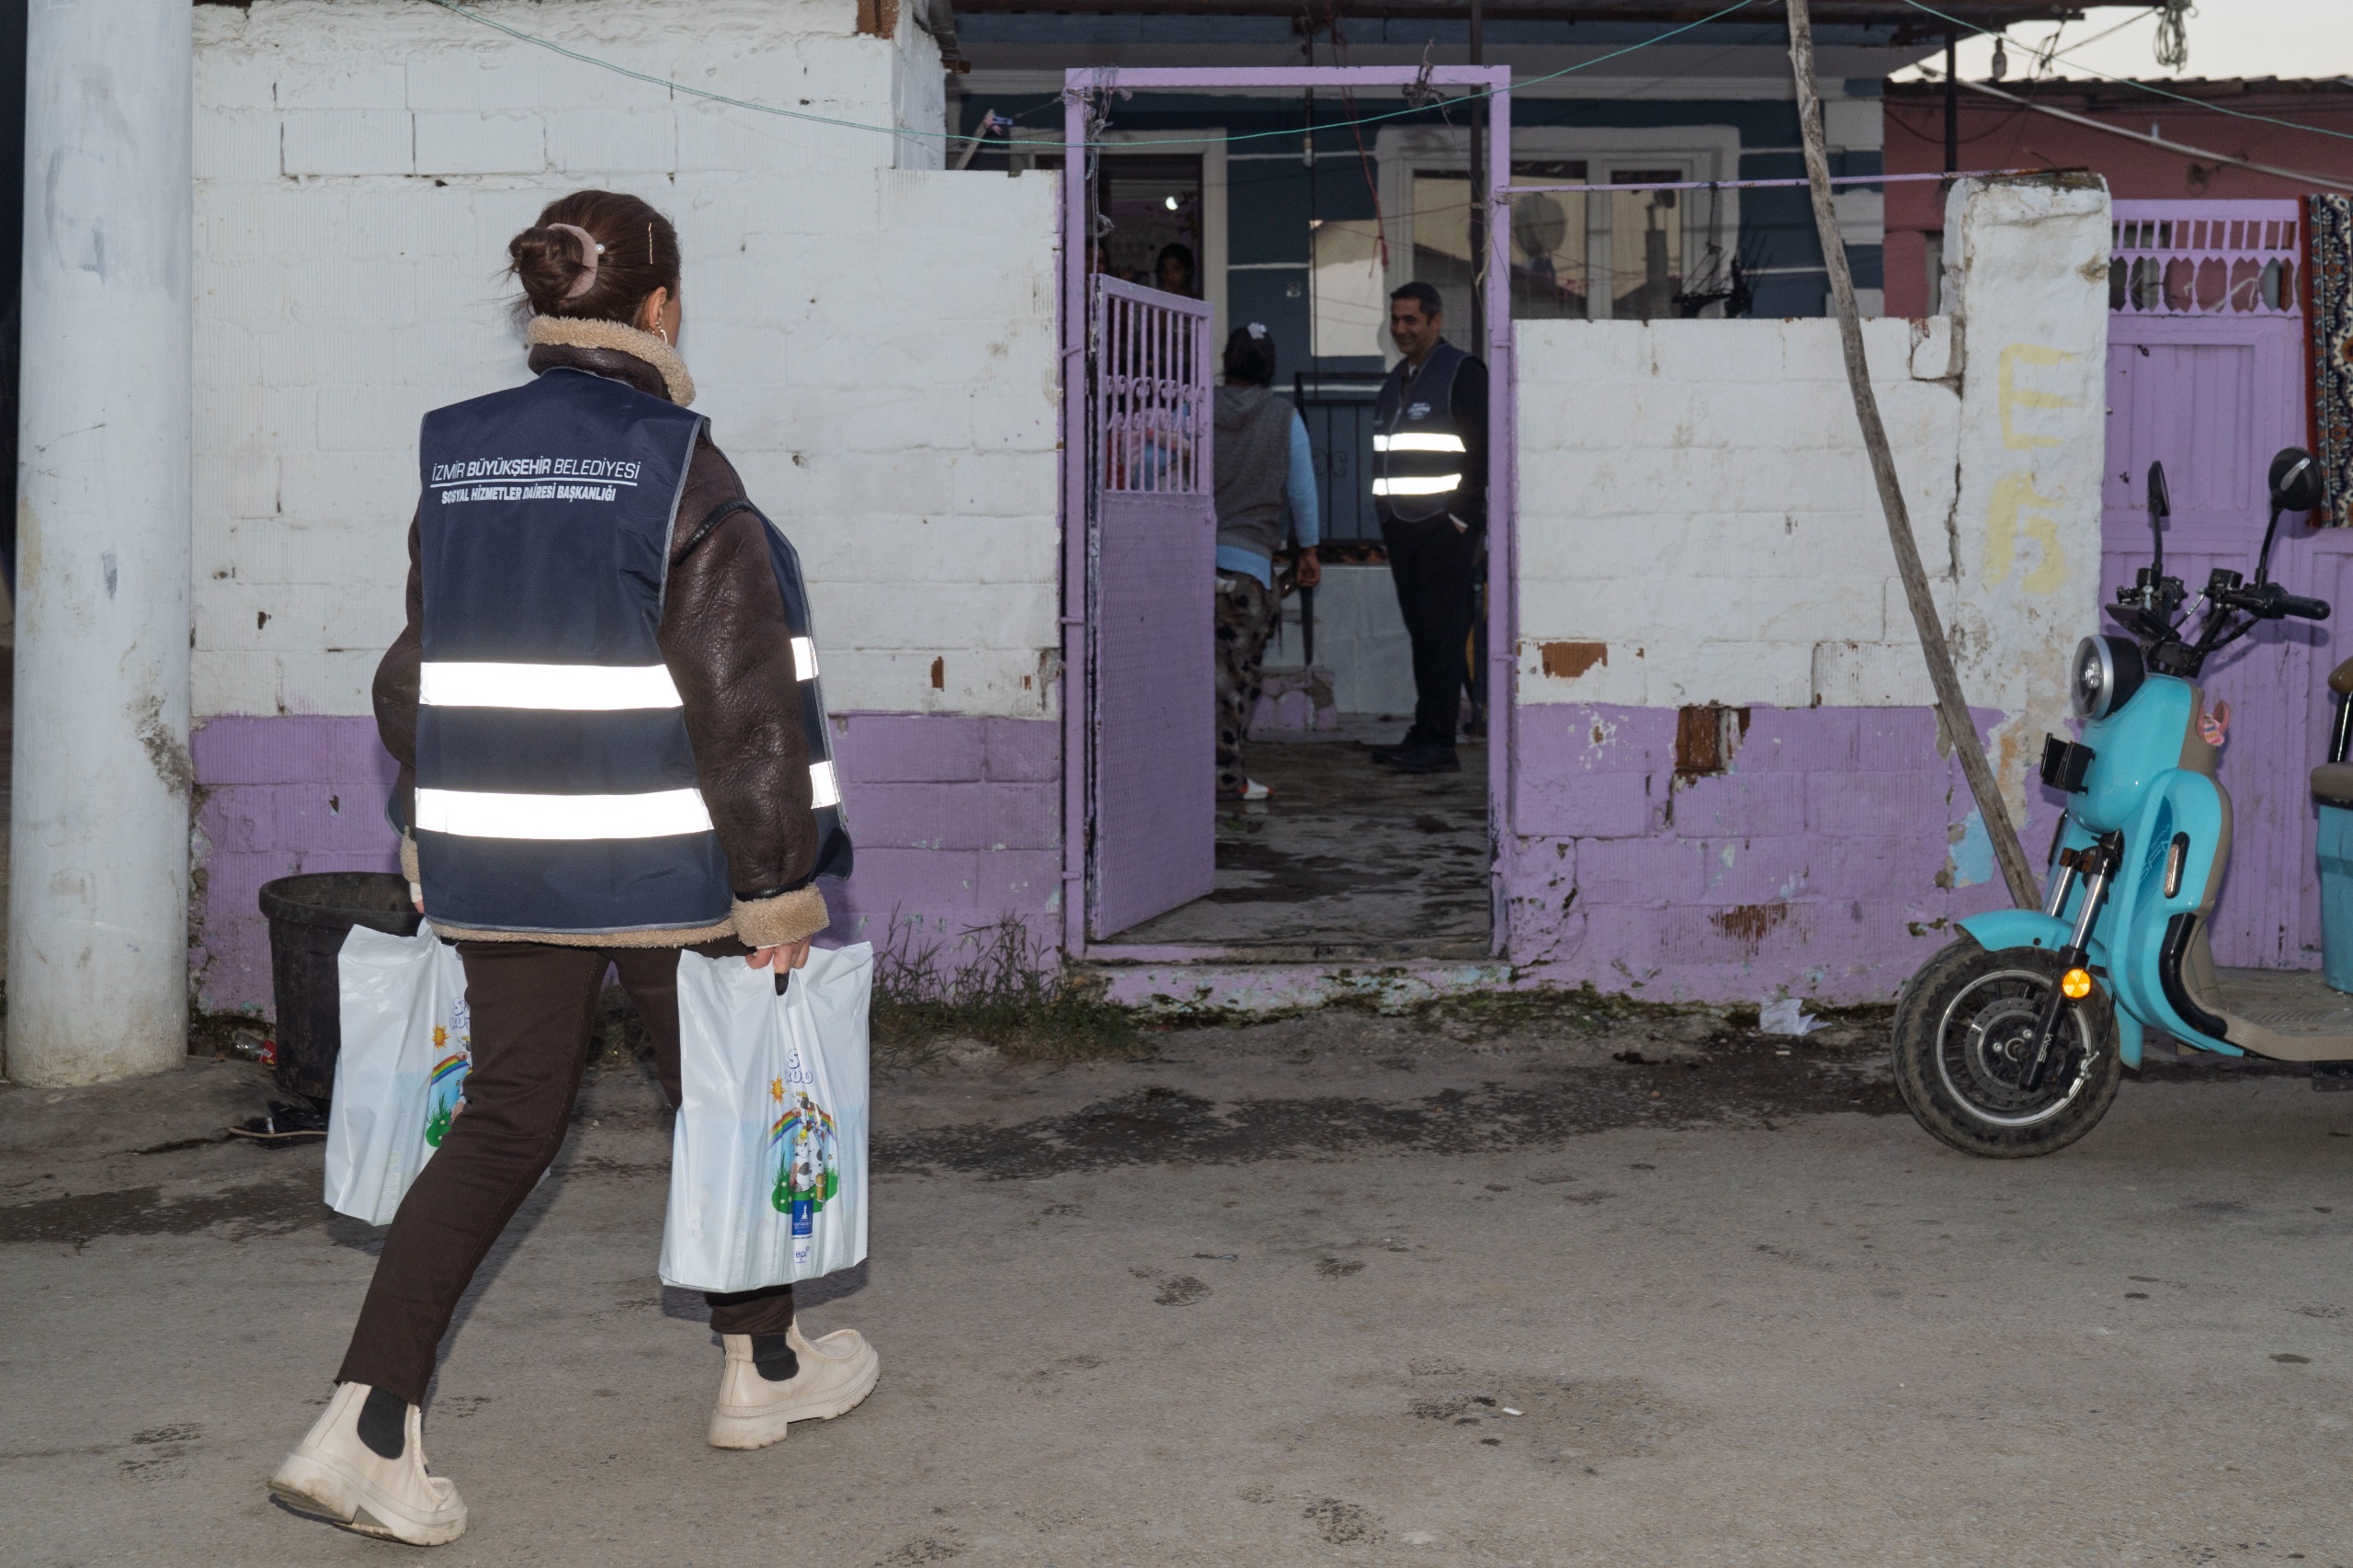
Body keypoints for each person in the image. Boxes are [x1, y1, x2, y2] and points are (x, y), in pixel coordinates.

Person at [267, 189, 877, 1547]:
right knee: (726, 1094)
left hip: (505, 869)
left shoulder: (459, 456)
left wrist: (431, 825)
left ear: (544, 312)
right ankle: (760, 1371)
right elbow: (746, 700)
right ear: (660, 310)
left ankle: (368, 1419)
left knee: (503, 1121)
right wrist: (779, 886)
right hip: (670, 872)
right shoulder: (681, 466)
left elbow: (418, 665)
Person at [1370, 280, 1488, 775]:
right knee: (1423, 634)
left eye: (1411, 320)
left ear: (1436, 322)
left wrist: (1461, 518)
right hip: (1403, 527)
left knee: (1441, 634)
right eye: (1395, 320)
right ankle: (1425, 731)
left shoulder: (1461, 371)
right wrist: (1385, 518)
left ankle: (1439, 743)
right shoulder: (1398, 376)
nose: (1401, 329)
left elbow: (1483, 450)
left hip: (1443, 527)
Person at [1211, 324, 1321, 801]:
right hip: (1246, 576)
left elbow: (1153, 464)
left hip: (1187, 563)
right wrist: (1309, 550)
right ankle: (1227, 779)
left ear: (1225, 359)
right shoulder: (1285, 417)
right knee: (1236, 679)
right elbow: (1302, 491)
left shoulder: (1196, 406)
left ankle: (1175, 774)